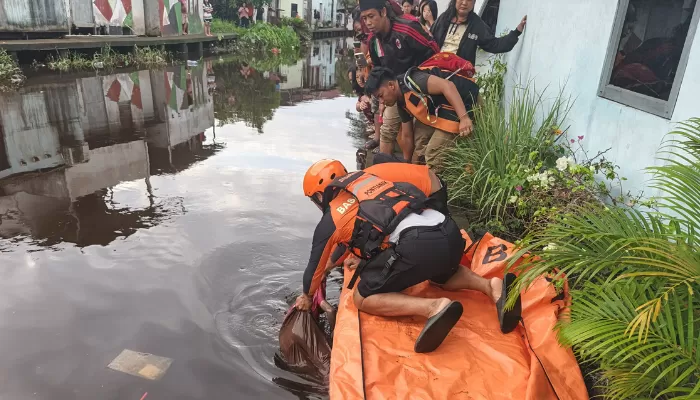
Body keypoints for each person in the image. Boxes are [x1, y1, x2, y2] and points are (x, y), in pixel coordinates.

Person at [295, 159, 521, 353]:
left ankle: (434, 308)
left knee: (362, 297)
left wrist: (307, 295)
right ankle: (491, 286)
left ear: (320, 195)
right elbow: (352, 239)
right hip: (449, 232)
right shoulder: (373, 181)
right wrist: (333, 264)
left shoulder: (331, 218)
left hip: (418, 243)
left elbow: (313, 268)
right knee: (441, 276)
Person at [359, 0, 439, 162]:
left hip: (420, 88)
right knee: (387, 130)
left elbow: (434, 52)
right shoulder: (374, 41)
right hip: (394, 90)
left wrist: (423, 78)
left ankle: (413, 169)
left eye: (371, 16)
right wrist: (381, 100)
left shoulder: (407, 29)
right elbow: (378, 71)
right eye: (364, 18)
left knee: (420, 138)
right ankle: (385, 170)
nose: (368, 23)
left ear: (383, 12)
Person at [365, 64, 479, 171]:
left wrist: (464, 118)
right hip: (443, 108)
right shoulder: (400, 101)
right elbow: (407, 135)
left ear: (391, 85)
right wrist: (407, 164)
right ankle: (419, 173)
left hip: (465, 102)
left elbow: (447, 86)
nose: (381, 101)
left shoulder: (415, 80)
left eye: (381, 95)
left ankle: (436, 180)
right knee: (419, 146)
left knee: (432, 154)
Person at [431, 0, 526, 65]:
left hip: (459, 72)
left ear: (474, 2)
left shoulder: (477, 24)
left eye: (469, 0)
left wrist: (516, 32)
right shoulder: (443, 19)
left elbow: (494, 44)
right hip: (435, 66)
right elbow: (429, 40)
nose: (464, 3)